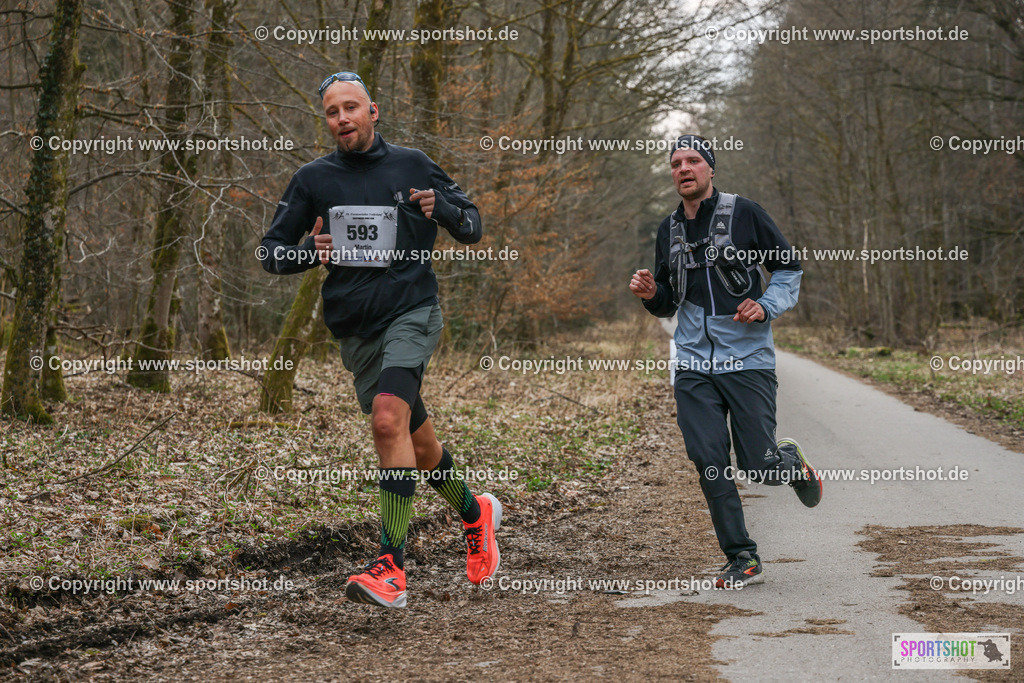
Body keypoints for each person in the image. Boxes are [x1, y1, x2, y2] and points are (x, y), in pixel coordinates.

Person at [260, 71, 501, 608]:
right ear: (326, 120)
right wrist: (309, 252)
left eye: (351, 107)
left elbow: (474, 225)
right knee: (416, 442)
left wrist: (445, 210)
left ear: (374, 111)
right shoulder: (312, 179)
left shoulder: (413, 165)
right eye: (331, 112)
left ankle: (391, 564)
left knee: (387, 417)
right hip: (356, 328)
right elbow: (270, 252)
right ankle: (475, 514)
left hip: (413, 311)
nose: (342, 118)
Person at [629, 134, 822, 588]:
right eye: (676, 163)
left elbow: (788, 268)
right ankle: (742, 556)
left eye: (693, 160)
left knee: (759, 466)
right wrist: (651, 293)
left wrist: (765, 304)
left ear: (710, 168)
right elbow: (668, 303)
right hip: (694, 363)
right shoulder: (668, 230)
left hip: (748, 358)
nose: (684, 168)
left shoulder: (745, 214)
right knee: (708, 457)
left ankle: (792, 464)